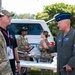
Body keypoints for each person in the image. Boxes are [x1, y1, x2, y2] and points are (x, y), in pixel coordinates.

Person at [0, 9, 21, 75]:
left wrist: (18, 62)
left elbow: (14, 48)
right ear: (1, 18)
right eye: (8, 17)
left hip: (10, 64)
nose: (10, 18)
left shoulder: (11, 31)